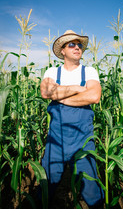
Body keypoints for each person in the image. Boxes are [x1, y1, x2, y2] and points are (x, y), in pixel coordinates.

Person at [40, 30, 104, 208]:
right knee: (46, 187)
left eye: (79, 45)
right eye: (72, 44)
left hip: (83, 140)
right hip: (56, 140)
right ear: (62, 50)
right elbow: (46, 92)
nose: (77, 47)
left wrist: (59, 96)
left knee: (92, 190)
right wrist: (78, 87)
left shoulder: (89, 71)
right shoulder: (52, 71)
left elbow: (94, 96)